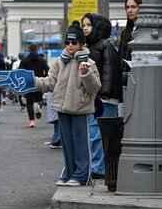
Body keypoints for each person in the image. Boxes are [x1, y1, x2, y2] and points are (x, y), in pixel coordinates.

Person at [33, 22, 101, 186]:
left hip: (80, 109)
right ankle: (70, 173)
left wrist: (86, 74)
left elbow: (94, 88)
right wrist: (33, 81)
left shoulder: (89, 63)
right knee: (67, 144)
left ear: (81, 44)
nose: (70, 45)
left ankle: (82, 175)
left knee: (80, 143)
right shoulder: (59, 62)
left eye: (74, 42)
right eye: (67, 42)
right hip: (62, 108)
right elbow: (49, 83)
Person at [82, 13, 121, 178]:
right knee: (96, 134)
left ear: (97, 26)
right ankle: (100, 168)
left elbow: (109, 73)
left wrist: (101, 95)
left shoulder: (105, 45)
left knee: (100, 134)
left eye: (89, 25)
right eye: (84, 25)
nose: (85, 28)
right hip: (97, 98)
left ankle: (101, 169)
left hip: (104, 99)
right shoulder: (90, 46)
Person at [118, 0, 141, 115]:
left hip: (138, 81)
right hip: (123, 81)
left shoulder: (145, 31)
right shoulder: (126, 32)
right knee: (122, 117)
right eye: (127, 7)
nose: (130, 10)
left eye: (133, 7)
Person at [18, 43, 48, 128]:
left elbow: (20, 72)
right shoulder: (42, 60)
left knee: (29, 102)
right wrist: (44, 77)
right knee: (39, 99)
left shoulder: (24, 60)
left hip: (28, 83)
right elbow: (48, 70)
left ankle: (32, 121)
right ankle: (38, 105)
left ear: (29, 50)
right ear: (37, 49)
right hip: (39, 82)